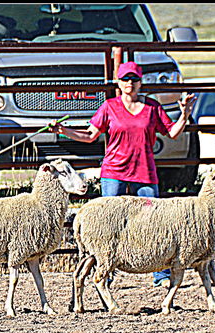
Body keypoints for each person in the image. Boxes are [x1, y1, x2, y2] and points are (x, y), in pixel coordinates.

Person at [49, 61, 197, 288]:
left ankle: (160, 274)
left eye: (134, 79)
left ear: (140, 82)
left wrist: (185, 114)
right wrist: (64, 131)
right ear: (119, 83)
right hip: (114, 171)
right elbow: (90, 135)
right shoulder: (109, 107)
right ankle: (105, 273)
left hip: (145, 172)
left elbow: (172, 133)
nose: (130, 83)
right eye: (126, 79)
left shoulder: (152, 107)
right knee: (108, 224)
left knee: (155, 224)